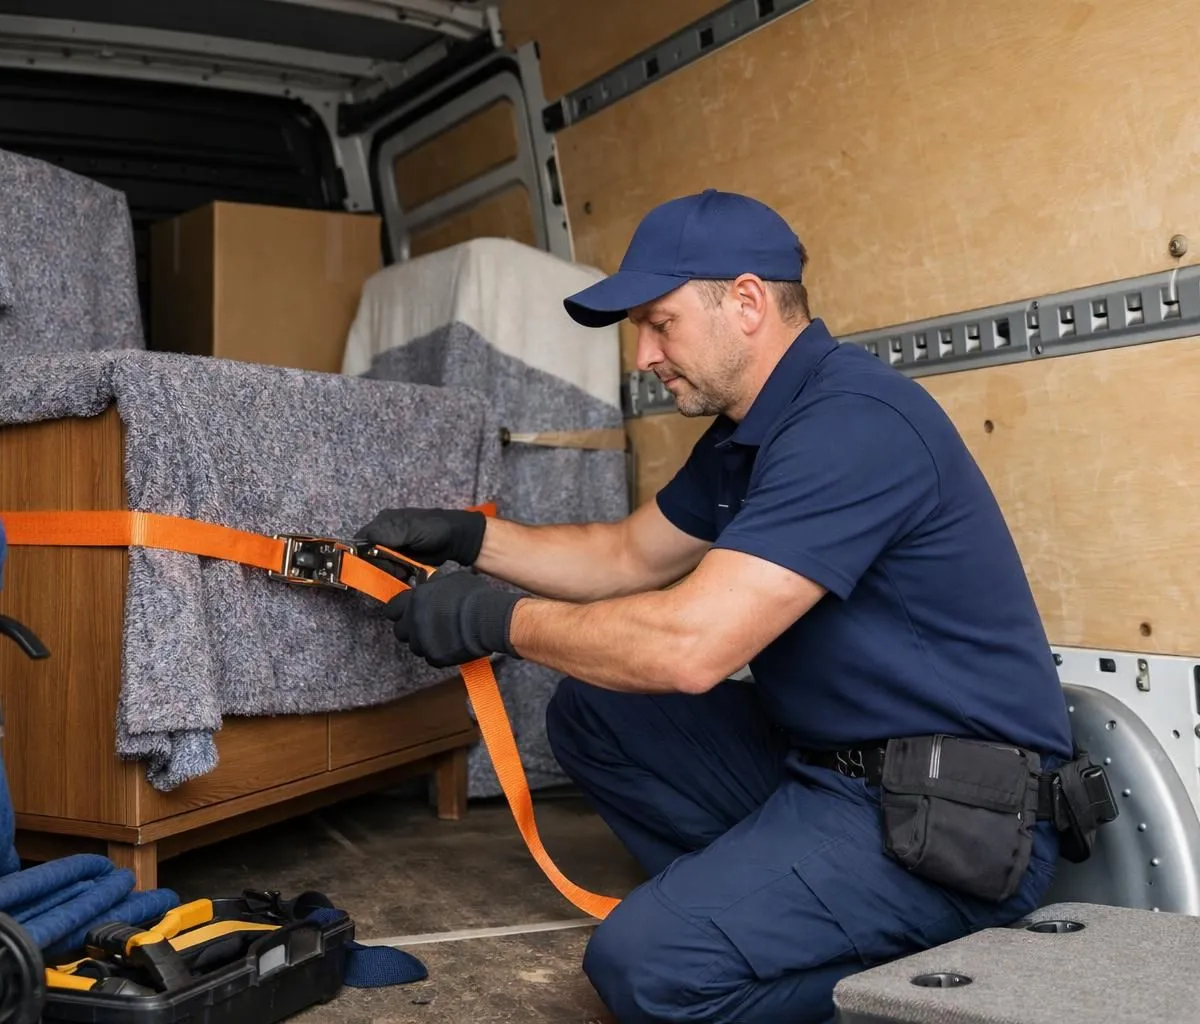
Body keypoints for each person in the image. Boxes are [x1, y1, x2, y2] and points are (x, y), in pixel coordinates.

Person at [354, 189, 1075, 1023]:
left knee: (648, 971)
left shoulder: (851, 425)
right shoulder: (747, 436)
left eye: (660, 323)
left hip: (951, 823)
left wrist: (491, 619)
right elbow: (626, 555)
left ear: (745, 302)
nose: (644, 356)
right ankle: (767, 911)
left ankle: (924, 983)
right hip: (828, 768)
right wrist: (469, 540)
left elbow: (689, 646)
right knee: (594, 712)